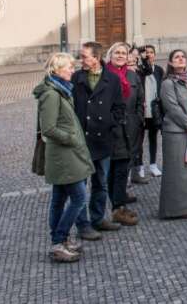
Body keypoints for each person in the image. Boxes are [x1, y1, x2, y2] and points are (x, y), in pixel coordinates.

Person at [33, 53, 94, 263]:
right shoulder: (52, 94)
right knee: (78, 199)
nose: (72, 70)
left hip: (66, 155)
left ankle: (60, 241)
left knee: (59, 199)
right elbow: (48, 128)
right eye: (69, 67)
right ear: (57, 70)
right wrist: (71, 138)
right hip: (64, 156)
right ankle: (58, 241)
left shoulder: (61, 91)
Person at [72, 42, 125, 235]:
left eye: (84, 56)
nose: (81, 60)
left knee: (101, 182)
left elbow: (119, 107)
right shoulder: (76, 77)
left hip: (103, 140)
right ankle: (83, 225)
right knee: (79, 186)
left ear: (96, 58)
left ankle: (98, 218)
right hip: (81, 140)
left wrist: (111, 123)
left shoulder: (111, 78)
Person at [104, 42, 143, 227]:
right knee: (116, 169)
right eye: (117, 52)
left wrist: (137, 120)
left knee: (123, 167)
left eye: (124, 53)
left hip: (131, 128)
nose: (120, 55)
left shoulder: (132, 75)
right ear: (110, 55)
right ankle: (117, 207)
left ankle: (118, 204)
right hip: (113, 128)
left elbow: (139, 101)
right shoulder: (105, 75)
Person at [159, 50, 187, 219]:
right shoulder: (168, 83)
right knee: (176, 173)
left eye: (183, 57)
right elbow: (172, 107)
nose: (181, 59)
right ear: (170, 63)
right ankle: (173, 209)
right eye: (176, 57)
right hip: (175, 132)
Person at [138, 45, 164, 179]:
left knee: (153, 138)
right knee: (139, 139)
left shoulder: (159, 70)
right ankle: (140, 166)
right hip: (142, 110)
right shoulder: (139, 70)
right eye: (146, 53)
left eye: (151, 52)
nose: (149, 55)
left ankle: (153, 164)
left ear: (155, 54)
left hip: (154, 111)